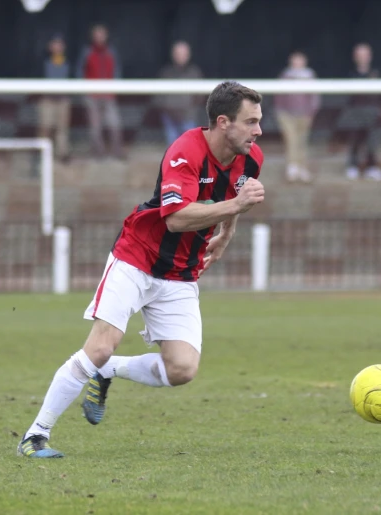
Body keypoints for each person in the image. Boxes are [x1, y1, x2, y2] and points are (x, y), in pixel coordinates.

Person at [17, 81, 266, 458]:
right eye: (250, 122)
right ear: (223, 122)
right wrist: (233, 209)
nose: (258, 131)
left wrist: (227, 232)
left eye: (258, 121)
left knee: (182, 369)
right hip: (138, 256)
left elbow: (236, 195)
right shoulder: (185, 152)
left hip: (181, 272)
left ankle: (108, 371)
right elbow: (176, 218)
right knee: (100, 345)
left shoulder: (252, 157)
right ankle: (35, 435)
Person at [77, 24, 125, 160]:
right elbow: (80, 71)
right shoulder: (87, 52)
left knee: (114, 123)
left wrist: (116, 87)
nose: (99, 37)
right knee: (95, 126)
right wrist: (84, 90)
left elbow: (117, 70)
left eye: (102, 34)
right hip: (92, 95)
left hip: (109, 94)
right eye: (97, 34)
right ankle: (98, 153)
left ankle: (117, 152)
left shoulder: (111, 52)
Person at [274, 50, 320, 183]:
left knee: (302, 140)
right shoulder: (285, 76)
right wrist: (280, 112)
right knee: (291, 140)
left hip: (305, 114)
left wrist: (311, 112)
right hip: (286, 115)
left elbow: (314, 97)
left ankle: (302, 167)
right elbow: (279, 95)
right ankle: (292, 168)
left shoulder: (310, 76)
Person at [345, 43, 381, 182]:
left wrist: (379, 108)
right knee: (355, 139)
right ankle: (353, 166)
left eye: (365, 55)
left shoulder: (376, 73)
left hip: (371, 112)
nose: (363, 58)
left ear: (370, 57)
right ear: (355, 57)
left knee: (371, 141)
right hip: (356, 112)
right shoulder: (350, 74)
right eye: (359, 55)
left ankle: (372, 167)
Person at [159, 41, 204, 146]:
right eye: (178, 54)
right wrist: (171, 111)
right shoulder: (166, 73)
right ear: (173, 55)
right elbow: (159, 97)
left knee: (189, 146)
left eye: (183, 54)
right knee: (172, 148)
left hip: (188, 117)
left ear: (188, 55)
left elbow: (200, 96)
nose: (180, 57)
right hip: (170, 118)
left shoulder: (194, 73)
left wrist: (187, 109)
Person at [38, 34, 72, 163]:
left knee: (62, 128)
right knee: (46, 126)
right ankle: (44, 153)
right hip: (47, 99)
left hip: (63, 99)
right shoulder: (43, 61)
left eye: (59, 44)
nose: (57, 47)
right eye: (54, 44)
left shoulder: (68, 61)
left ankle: (62, 154)